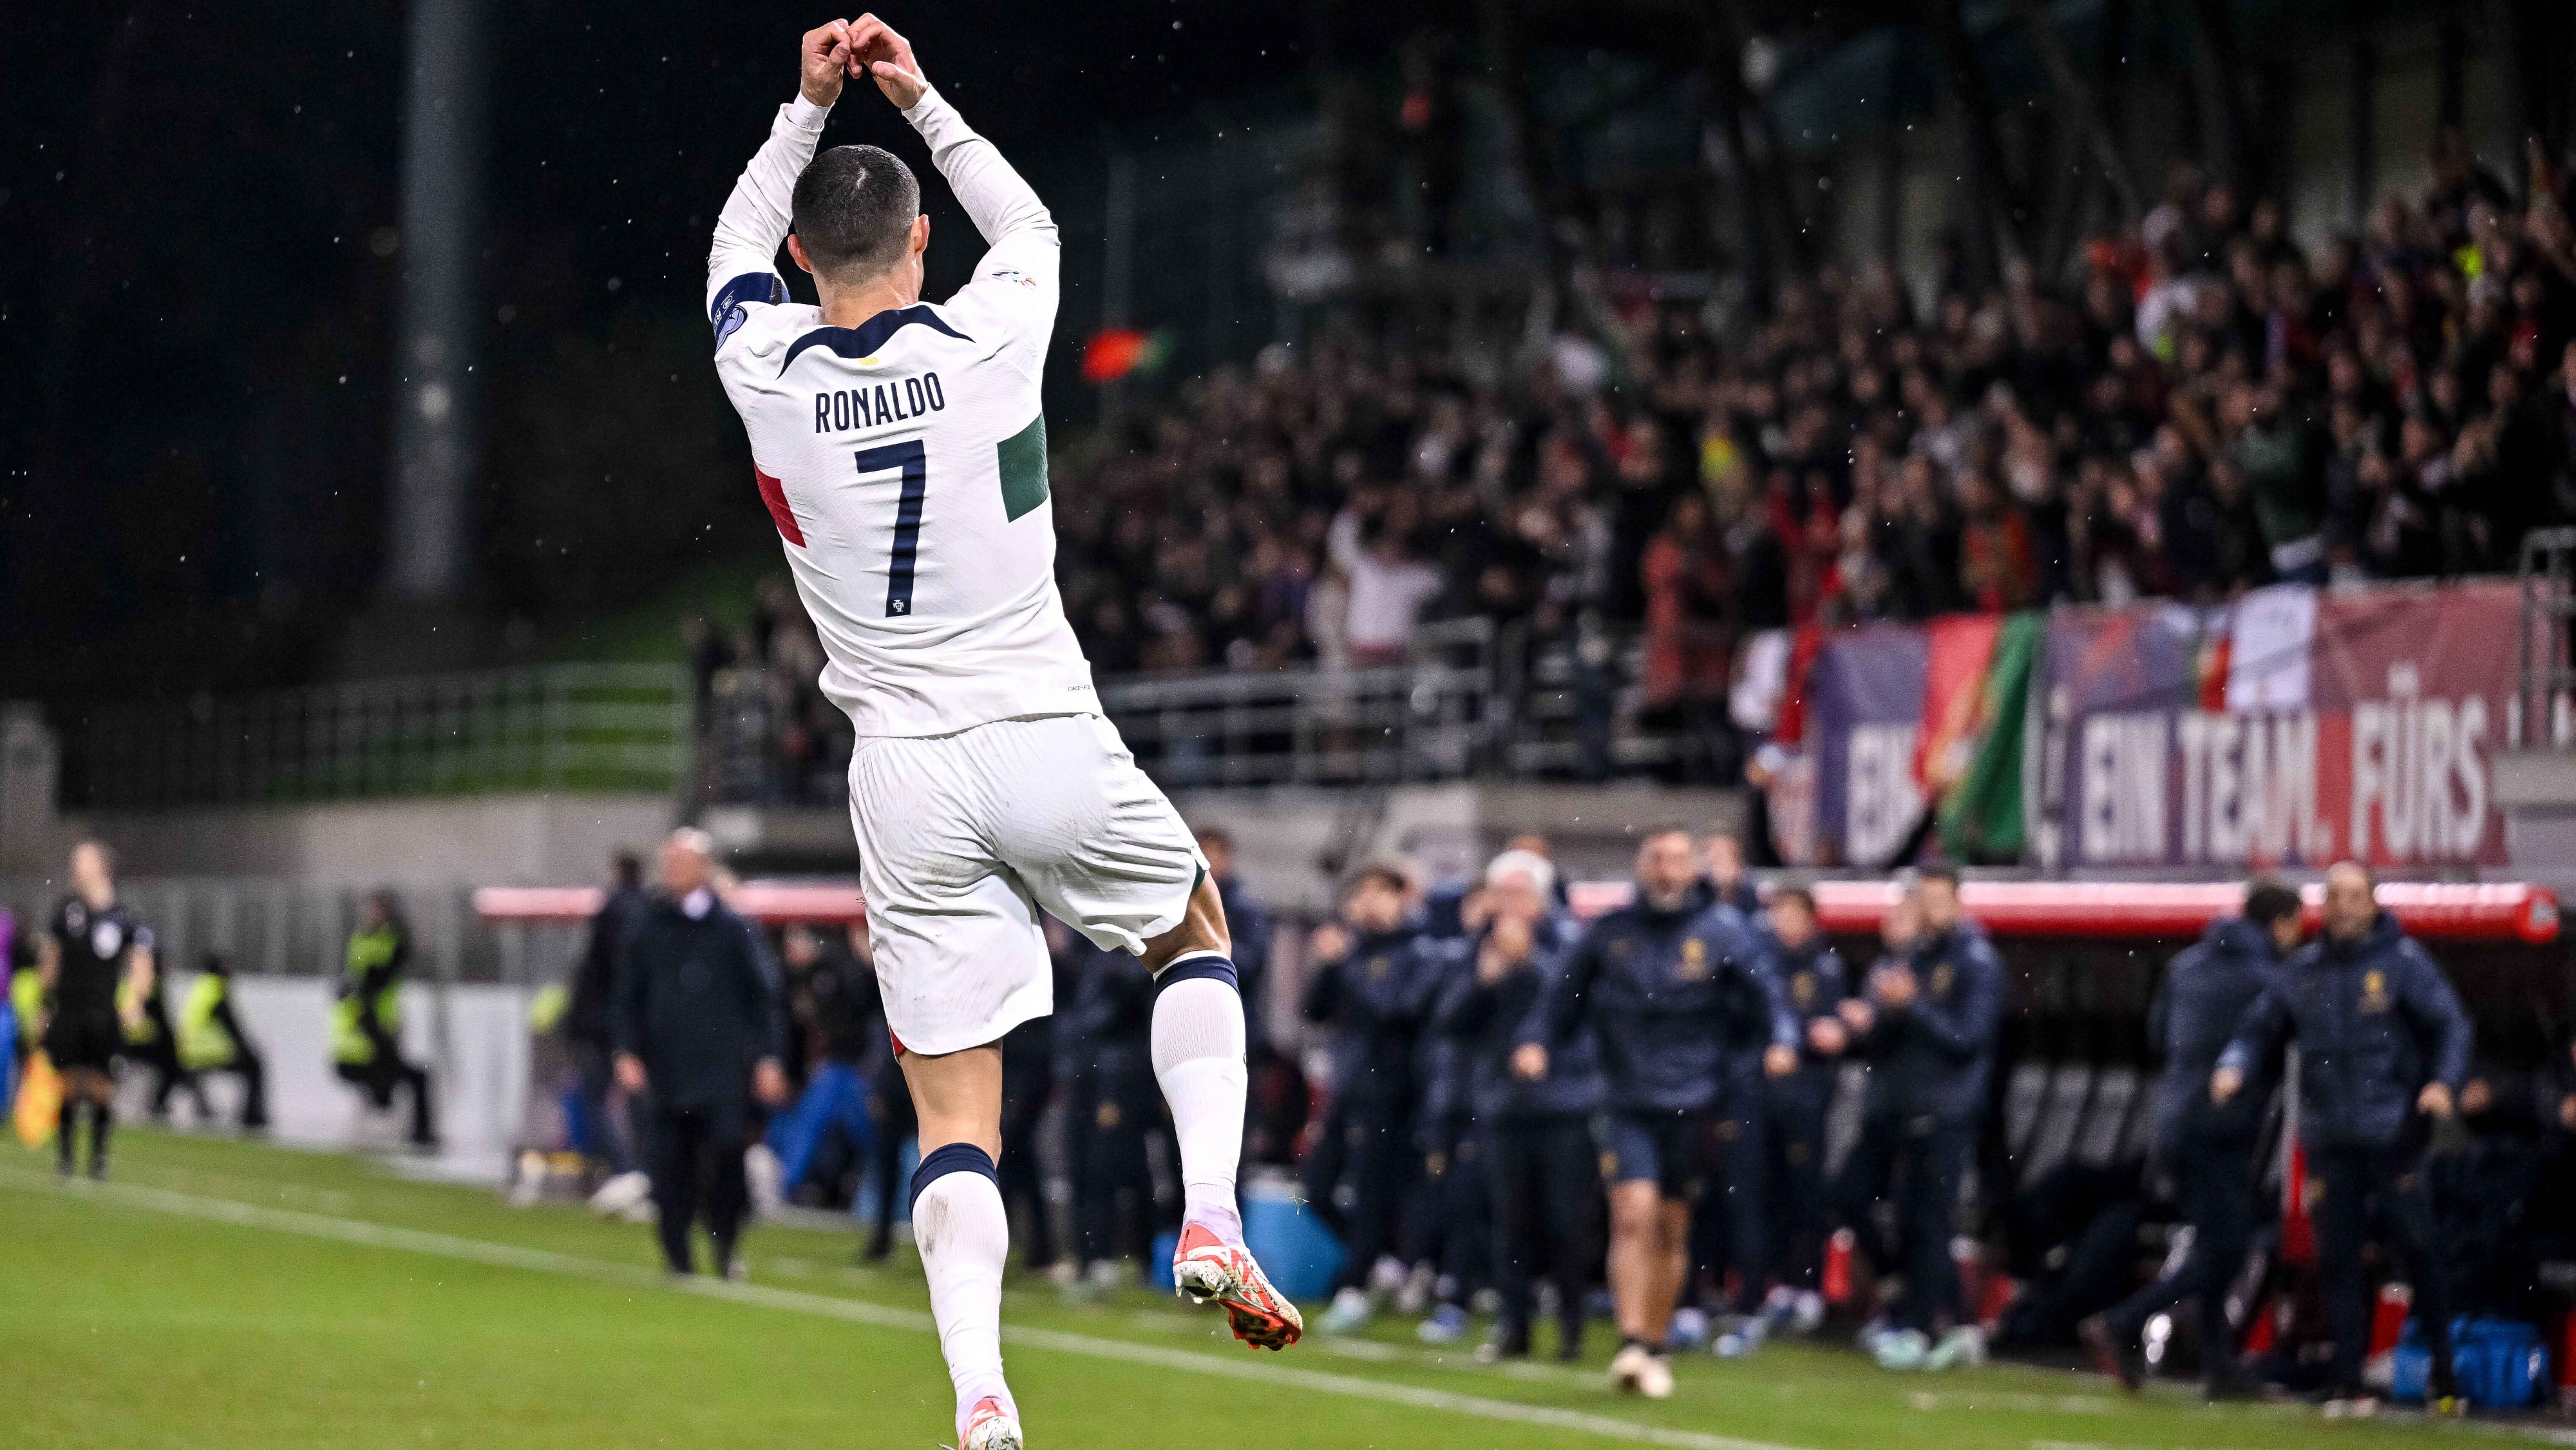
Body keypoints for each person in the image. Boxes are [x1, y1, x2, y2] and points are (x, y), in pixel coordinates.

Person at [705, 23, 1298, 1445]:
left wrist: (802, 110)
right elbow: (1023, 218)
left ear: (804, 262)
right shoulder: (989, 330)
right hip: (1037, 720)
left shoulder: (767, 368)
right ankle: (1207, 1211)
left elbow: (728, 252)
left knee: (951, 1110)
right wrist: (920, 99)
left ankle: (980, 1393)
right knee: (1189, 928)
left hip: (902, 771)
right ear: (920, 246)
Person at [1513, 827, 1796, 1398]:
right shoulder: (1611, 932)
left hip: (1696, 1098)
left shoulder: (1724, 932)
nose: (1666, 870)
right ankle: (1631, 1340)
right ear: (1643, 867)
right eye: (1657, 859)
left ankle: (1656, 1341)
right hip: (1624, 1096)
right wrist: (1536, 1040)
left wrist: (1781, 1041)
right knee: (1634, 1214)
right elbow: (1558, 999)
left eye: (1677, 859)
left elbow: (1770, 999)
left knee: (1672, 1225)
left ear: (1693, 868)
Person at [2213, 861, 2474, 1415]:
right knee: (2337, 1257)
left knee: (2418, 1249)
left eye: (2356, 894)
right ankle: (2349, 1378)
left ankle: (2446, 1374)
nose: (2345, 905)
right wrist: (2234, 1064)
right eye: (2335, 895)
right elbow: (2258, 1028)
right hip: (2329, 1135)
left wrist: (2442, 1084)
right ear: (2323, 906)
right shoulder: (2304, 970)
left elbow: (2452, 1024)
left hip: (2394, 1131)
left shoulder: (2404, 964)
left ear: (2375, 903)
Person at [2081, 878, 2301, 1399]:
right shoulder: (2269, 977)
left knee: (2212, 1243)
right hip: (2224, 1125)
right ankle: (2124, 1318)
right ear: (2281, 923)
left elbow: (2158, 1036)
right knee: (2228, 1248)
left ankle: (2220, 1365)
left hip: (2175, 1119)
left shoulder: (2185, 966)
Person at [1837, 864, 2005, 1372]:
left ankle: (1918, 1326)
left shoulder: (1976, 963)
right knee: (1905, 1216)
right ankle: (1952, 1323)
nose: (1929, 910)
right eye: (1922, 900)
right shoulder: (1909, 959)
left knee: (1930, 1222)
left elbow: (1966, 1040)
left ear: (1956, 901)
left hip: (1946, 1110)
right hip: (1903, 1107)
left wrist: (1912, 1007)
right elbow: (1882, 1047)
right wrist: (1877, 1016)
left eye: (1937, 900)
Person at [1434, 849, 1598, 1363]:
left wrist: (1526, 962)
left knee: (1567, 1221)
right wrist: (1484, 978)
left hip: (1565, 1102)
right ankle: (1514, 1326)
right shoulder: (1480, 948)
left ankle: (1572, 1327)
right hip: (1503, 1103)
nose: (1507, 904)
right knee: (1510, 1221)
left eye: (1518, 893)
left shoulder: (1571, 943)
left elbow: (1573, 1007)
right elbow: (1449, 1019)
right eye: (1501, 893)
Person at [612, 829, 792, 1278]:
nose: (670, 870)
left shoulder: (733, 928)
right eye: (667, 861)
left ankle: (726, 1246)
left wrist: (769, 1057)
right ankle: (678, 1257)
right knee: (669, 1166)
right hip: (666, 1069)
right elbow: (626, 994)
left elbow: (763, 996)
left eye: (680, 861)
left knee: (726, 1163)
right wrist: (626, 1050)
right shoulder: (647, 924)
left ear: (703, 867)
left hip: (722, 1072)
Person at [1302, 862, 1452, 1333]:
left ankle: (1357, 1284)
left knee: (1374, 1191)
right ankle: (1389, 1261)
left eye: (1379, 892)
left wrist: (1345, 961)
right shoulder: (1353, 952)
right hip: (1346, 1088)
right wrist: (1327, 964)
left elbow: (1395, 1010)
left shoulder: (1421, 952)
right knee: (1318, 1188)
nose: (1368, 902)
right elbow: (1313, 1010)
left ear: (1400, 897)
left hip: (1394, 1093)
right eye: (1361, 893)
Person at [1746, 883, 1849, 1346]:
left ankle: (1807, 1285)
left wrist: (1805, 1039)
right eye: (1777, 912)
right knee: (1764, 1192)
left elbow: (1830, 1032)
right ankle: (1771, 1285)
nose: (1782, 922)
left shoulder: (1825, 969)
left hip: (1806, 1097)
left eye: (1791, 912)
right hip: (1765, 1096)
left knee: (1806, 1192)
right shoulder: (1760, 964)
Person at [36, 841, 155, 1178]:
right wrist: (45, 1006)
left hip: (103, 1014)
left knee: (103, 1086)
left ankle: (99, 1159)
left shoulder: (123, 916)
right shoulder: (65, 911)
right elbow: (51, 962)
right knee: (69, 1083)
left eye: (82, 862)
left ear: (101, 867)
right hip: (69, 1012)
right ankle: (66, 1159)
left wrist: (134, 1000)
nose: (75, 868)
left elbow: (141, 963)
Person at [768, 921, 880, 1203]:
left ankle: (787, 1187)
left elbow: (865, 1015)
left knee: (865, 1137)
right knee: (795, 1125)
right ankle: (792, 1186)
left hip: (856, 1072)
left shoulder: (840, 970)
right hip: (829, 1074)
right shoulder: (796, 979)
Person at [570, 852, 649, 1210]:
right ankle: (640, 1170)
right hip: (636, 1022)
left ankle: (623, 1170)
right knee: (636, 1100)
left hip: (603, 1022)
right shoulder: (648, 910)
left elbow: (594, 971)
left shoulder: (611, 910)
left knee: (595, 1098)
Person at [332, 890, 438, 1149]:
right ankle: (410, 1131)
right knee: (399, 1075)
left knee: (392, 1074)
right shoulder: (361, 938)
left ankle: (392, 1122)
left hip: (382, 1020)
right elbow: (359, 973)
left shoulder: (392, 937)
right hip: (370, 1023)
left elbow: (389, 967)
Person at [176, 952, 269, 1130]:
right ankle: (252, 1116)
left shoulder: (201, 986)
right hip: (208, 1052)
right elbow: (230, 1025)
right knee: (254, 1065)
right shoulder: (216, 989)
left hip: (188, 1051)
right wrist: (247, 1047)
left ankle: (203, 1109)